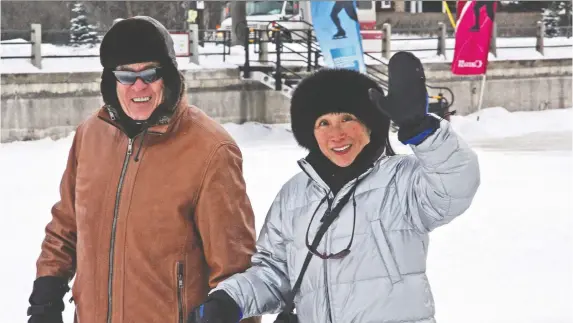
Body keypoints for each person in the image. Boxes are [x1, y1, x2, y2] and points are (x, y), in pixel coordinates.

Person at [188, 51, 481, 323]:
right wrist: (229, 301)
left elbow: (455, 183)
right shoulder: (294, 195)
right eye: (323, 123)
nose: (336, 134)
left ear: (369, 124)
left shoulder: (401, 181)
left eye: (347, 118)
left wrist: (424, 132)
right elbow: (275, 272)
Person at [26, 16, 260, 323]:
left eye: (150, 73)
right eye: (126, 75)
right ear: (111, 80)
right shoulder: (91, 135)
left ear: (169, 76)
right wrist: (48, 288)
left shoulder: (210, 150)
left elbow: (235, 269)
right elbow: (67, 223)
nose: (139, 85)